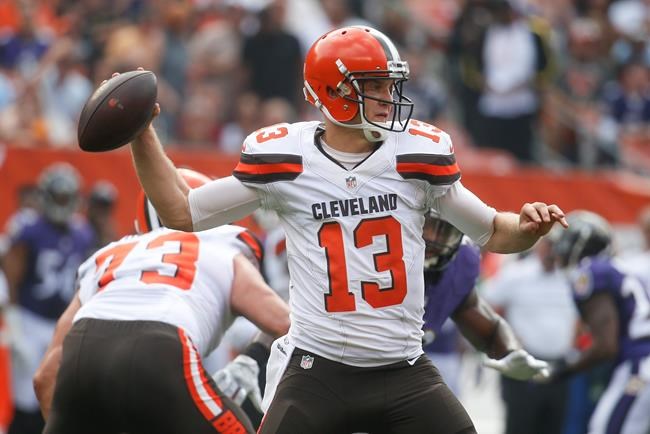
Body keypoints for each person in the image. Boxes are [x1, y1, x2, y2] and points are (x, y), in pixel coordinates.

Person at [125, 25, 567, 434]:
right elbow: (182, 212)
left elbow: (493, 231)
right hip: (319, 370)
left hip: (403, 368)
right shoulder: (286, 159)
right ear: (333, 90)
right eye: (374, 85)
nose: (387, 96)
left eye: (390, 85)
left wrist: (527, 227)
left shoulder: (415, 155)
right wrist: (142, 134)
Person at [33, 168, 291, 434]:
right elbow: (285, 323)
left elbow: (45, 376)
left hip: (84, 348)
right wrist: (253, 357)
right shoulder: (219, 248)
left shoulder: (110, 253)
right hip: (160, 347)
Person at [2, 163, 95, 434]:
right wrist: (14, 324)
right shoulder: (28, 227)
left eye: (67, 197)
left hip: (62, 322)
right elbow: (11, 276)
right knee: (26, 397)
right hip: (30, 319)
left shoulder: (82, 232)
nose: (63, 204)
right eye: (59, 197)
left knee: (56, 395)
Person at [420, 211, 550, 394]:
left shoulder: (459, 261)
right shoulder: (375, 256)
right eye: (426, 226)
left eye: (443, 230)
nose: (432, 238)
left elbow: (482, 321)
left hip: (412, 367)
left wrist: (511, 351)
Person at [550, 210, 650, 434]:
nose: (558, 251)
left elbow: (606, 346)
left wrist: (563, 369)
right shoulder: (616, 267)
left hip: (639, 363)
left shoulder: (591, 272)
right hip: (639, 360)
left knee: (606, 429)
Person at [481, 235, 578, 434]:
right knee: (519, 425)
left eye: (556, 247)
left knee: (553, 426)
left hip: (559, 366)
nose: (551, 252)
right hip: (522, 364)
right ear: (538, 246)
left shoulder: (570, 277)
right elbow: (484, 304)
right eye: (547, 246)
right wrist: (504, 338)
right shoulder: (516, 274)